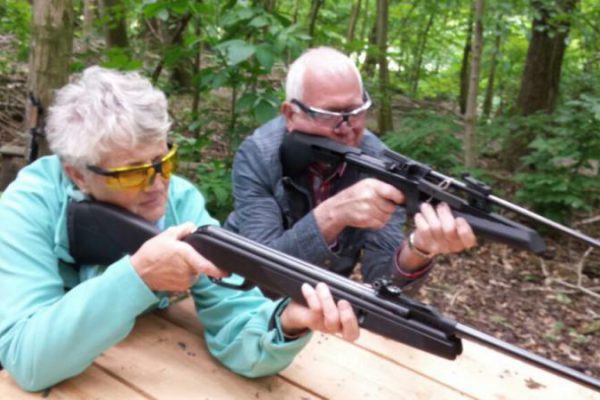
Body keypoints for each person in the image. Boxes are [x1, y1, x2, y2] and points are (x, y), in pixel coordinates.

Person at [0, 66, 359, 392]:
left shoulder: (181, 202)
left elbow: (236, 324)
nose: (157, 184)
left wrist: (288, 323)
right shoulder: (27, 207)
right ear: (77, 174)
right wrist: (138, 276)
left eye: (164, 161)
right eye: (133, 173)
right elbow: (28, 362)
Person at [225, 47, 477, 288]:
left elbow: (381, 280)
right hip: (237, 290)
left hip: (321, 302)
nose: (347, 127)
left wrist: (418, 249)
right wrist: (333, 214)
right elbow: (261, 273)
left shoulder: (378, 162)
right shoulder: (260, 154)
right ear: (291, 114)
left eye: (356, 111)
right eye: (330, 113)